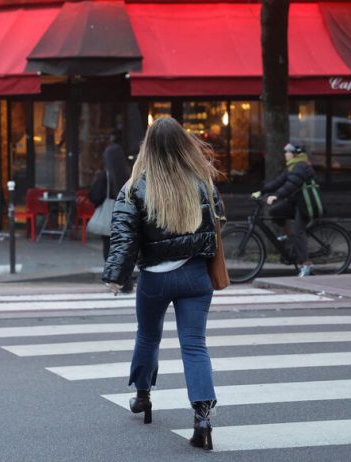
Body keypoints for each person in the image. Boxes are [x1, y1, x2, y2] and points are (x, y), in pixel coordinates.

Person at [102, 117, 221, 450]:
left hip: (154, 278)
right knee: (195, 345)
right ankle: (202, 417)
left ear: (148, 147)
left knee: (148, 335)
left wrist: (116, 276)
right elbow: (217, 222)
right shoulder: (202, 181)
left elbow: (124, 238)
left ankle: (143, 396)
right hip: (196, 275)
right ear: (184, 144)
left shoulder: (135, 187)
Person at [253, 143, 316, 277]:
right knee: (275, 211)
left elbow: (291, 185)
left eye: (288, 152)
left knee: (298, 232)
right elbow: (278, 181)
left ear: (295, 154)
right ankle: (289, 236)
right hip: (296, 202)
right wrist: (262, 191)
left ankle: (306, 264)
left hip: (306, 204)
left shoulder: (301, 166)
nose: (285, 154)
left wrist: (276, 196)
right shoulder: (292, 167)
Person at [89, 131, 132, 292]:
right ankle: (126, 282)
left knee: (109, 250)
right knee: (125, 248)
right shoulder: (129, 175)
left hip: (109, 216)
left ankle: (115, 281)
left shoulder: (104, 176)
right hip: (127, 215)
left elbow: (94, 196)